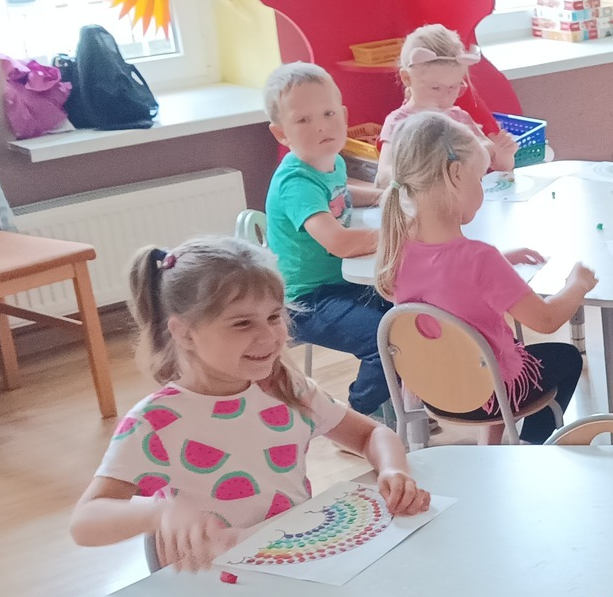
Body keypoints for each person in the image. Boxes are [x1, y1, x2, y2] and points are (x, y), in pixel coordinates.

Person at [71, 237, 428, 570]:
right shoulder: (156, 421)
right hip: (213, 589)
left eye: (274, 316)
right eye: (242, 323)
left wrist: (392, 469)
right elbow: (85, 521)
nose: (269, 335)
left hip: (295, 565)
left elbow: (370, 435)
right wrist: (158, 514)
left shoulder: (289, 390)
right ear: (184, 333)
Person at [375, 112, 593, 444]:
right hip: (485, 394)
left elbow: (445, 286)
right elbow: (547, 320)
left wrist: (503, 261)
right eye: (479, 178)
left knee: (498, 345)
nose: (482, 187)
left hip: (430, 388)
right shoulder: (479, 259)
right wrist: (577, 284)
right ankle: (532, 445)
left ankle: (490, 446)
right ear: (455, 175)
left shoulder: (397, 247)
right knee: (566, 358)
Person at [262, 62, 393, 422]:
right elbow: (340, 243)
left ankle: (400, 400)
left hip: (345, 283)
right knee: (385, 339)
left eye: (328, 113)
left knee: (414, 311)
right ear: (281, 133)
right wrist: (400, 232)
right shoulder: (296, 182)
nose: (321, 126)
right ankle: (362, 417)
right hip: (308, 300)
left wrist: (384, 196)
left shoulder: (327, 160)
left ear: (344, 116)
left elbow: (340, 194)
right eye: (303, 120)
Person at [376, 24, 513, 184]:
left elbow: (499, 168)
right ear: (407, 78)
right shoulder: (399, 122)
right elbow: (383, 176)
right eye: (435, 88)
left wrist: (503, 155)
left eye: (454, 87)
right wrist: (424, 177)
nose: (445, 97)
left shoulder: (459, 117)